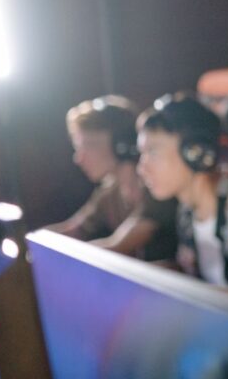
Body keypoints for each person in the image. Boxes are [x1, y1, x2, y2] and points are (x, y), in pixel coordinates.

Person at [136, 93, 228, 299]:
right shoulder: (187, 210)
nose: (142, 168)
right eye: (142, 154)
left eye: (153, 152)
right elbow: (191, 274)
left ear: (196, 152)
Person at [45, 95, 177, 262]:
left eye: (88, 145)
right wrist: (33, 240)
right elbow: (72, 229)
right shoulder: (109, 192)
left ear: (122, 144)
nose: (78, 158)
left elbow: (117, 247)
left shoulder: (157, 188)